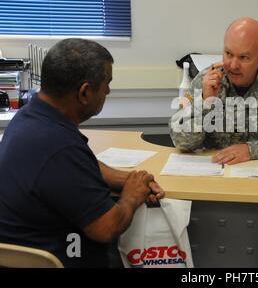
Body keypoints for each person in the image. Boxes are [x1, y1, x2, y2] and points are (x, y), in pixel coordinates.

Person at [0, 38, 165, 268]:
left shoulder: (31, 117)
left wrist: (127, 179)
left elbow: (78, 166)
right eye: (107, 82)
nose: (108, 90)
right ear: (85, 93)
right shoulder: (59, 146)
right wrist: (131, 195)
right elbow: (106, 227)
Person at [169, 17, 258, 165]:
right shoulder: (207, 81)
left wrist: (253, 150)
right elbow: (181, 142)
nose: (233, 65)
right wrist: (204, 102)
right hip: (216, 172)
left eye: (244, 57)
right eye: (228, 53)